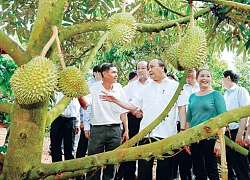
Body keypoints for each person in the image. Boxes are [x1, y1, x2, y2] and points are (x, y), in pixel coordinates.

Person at [100, 58, 188, 180]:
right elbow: (132, 105)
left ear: (162, 68)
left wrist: (182, 130)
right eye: (149, 68)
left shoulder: (175, 86)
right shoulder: (146, 87)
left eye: (152, 67)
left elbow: (181, 108)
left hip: (167, 135)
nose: (149, 70)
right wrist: (115, 100)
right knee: (144, 172)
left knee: (165, 172)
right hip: (146, 135)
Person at [78, 63, 129, 180]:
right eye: (113, 72)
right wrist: (78, 93)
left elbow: (123, 111)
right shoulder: (94, 89)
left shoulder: (119, 88)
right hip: (97, 130)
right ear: (105, 74)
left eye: (116, 72)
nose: (116, 75)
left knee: (112, 162)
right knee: (93, 162)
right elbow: (85, 105)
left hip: (115, 130)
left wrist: (126, 130)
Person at [185, 69, 226, 180]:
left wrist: (219, 141)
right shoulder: (192, 97)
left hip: (210, 138)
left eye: (208, 76)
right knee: (198, 171)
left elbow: (223, 119)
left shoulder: (216, 95)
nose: (205, 78)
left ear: (211, 79)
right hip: (194, 139)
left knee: (212, 171)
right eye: (202, 76)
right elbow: (189, 119)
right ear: (197, 78)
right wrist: (186, 140)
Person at [116, 61, 151, 180]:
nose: (140, 71)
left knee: (145, 147)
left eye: (143, 68)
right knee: (130, 147)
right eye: (138, 68)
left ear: (148, 69)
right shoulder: (129, 86)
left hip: (149, 120)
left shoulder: (153, 84)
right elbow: (125, 103)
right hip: (132, 119)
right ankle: (128, 176)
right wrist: (134, 111)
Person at [221, 70, 250, 180]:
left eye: (222, 78)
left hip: (237, 132)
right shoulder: (225, 94)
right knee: (229, 166)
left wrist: (241, 133)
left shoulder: (240, 91)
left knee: (241, 167)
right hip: (227, 134)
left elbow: (246, 112)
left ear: (228, 78)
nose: (221, 81)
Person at [75, 65, 102, 180]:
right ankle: (78, 174)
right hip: (87, 122)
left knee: (96, 151)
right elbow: (82, 105)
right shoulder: (87, 86)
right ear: (95, 73)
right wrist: (82, 121)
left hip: (99, 123)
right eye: (100, 72)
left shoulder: (107, 86)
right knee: (81, 149)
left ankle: (94, 175)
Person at [173, 68, 199, 180]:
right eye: (186, 71)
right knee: (183, 159)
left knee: (199, 158)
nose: (188, 73)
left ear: (196, 73)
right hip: (183, 126)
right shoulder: (181, 88)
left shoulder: (203, 88)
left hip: (199, 126)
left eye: (191, 71)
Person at [50, 92, 80, 162]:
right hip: (57, 118)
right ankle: (57, 170)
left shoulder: (75, 90)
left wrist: (77, 123)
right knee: (55, 146)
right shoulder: (57, 88)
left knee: (69, 148)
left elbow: (76, 106)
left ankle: (69, 169)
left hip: (70, 120)